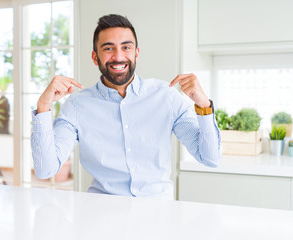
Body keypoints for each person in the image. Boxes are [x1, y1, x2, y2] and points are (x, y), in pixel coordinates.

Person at [31, 14, 221, 199]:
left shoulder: (166, 96)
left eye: (126, 47)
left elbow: (210, 159)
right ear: (95, 57)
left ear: (136, 53)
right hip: (102, 215)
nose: (118, 56)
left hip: (157, 216)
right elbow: (45, 169)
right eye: (108, 49)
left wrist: (203, 105)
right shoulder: (77, 105)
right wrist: (43, 106)